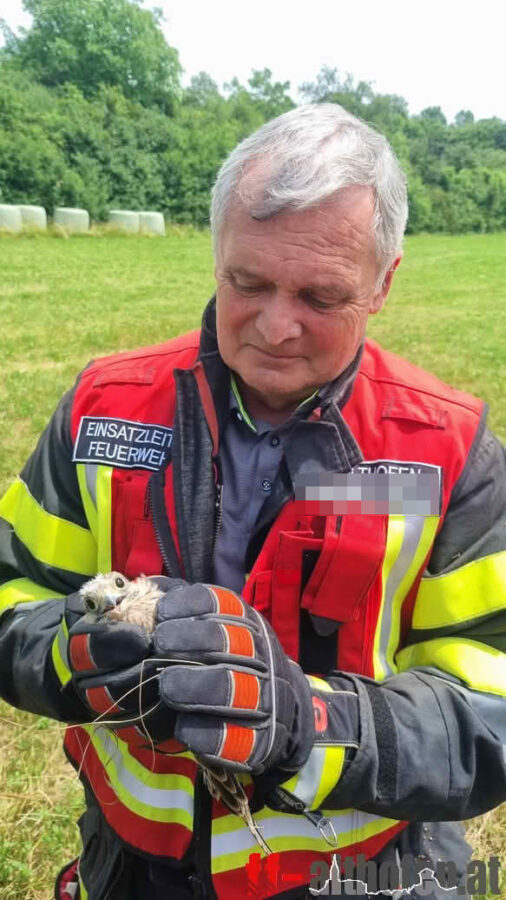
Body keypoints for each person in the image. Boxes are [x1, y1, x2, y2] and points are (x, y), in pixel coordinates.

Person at [0, 102, 505, 900]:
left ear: (385, 282)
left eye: (321, 296)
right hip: (137, 870)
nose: (276, 326)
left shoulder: (447, 449)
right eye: (248, 282)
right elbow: (12, 597)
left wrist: (308, 725)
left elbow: (490, 712)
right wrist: (73, 652)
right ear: (216, 253)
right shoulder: (106, 409)